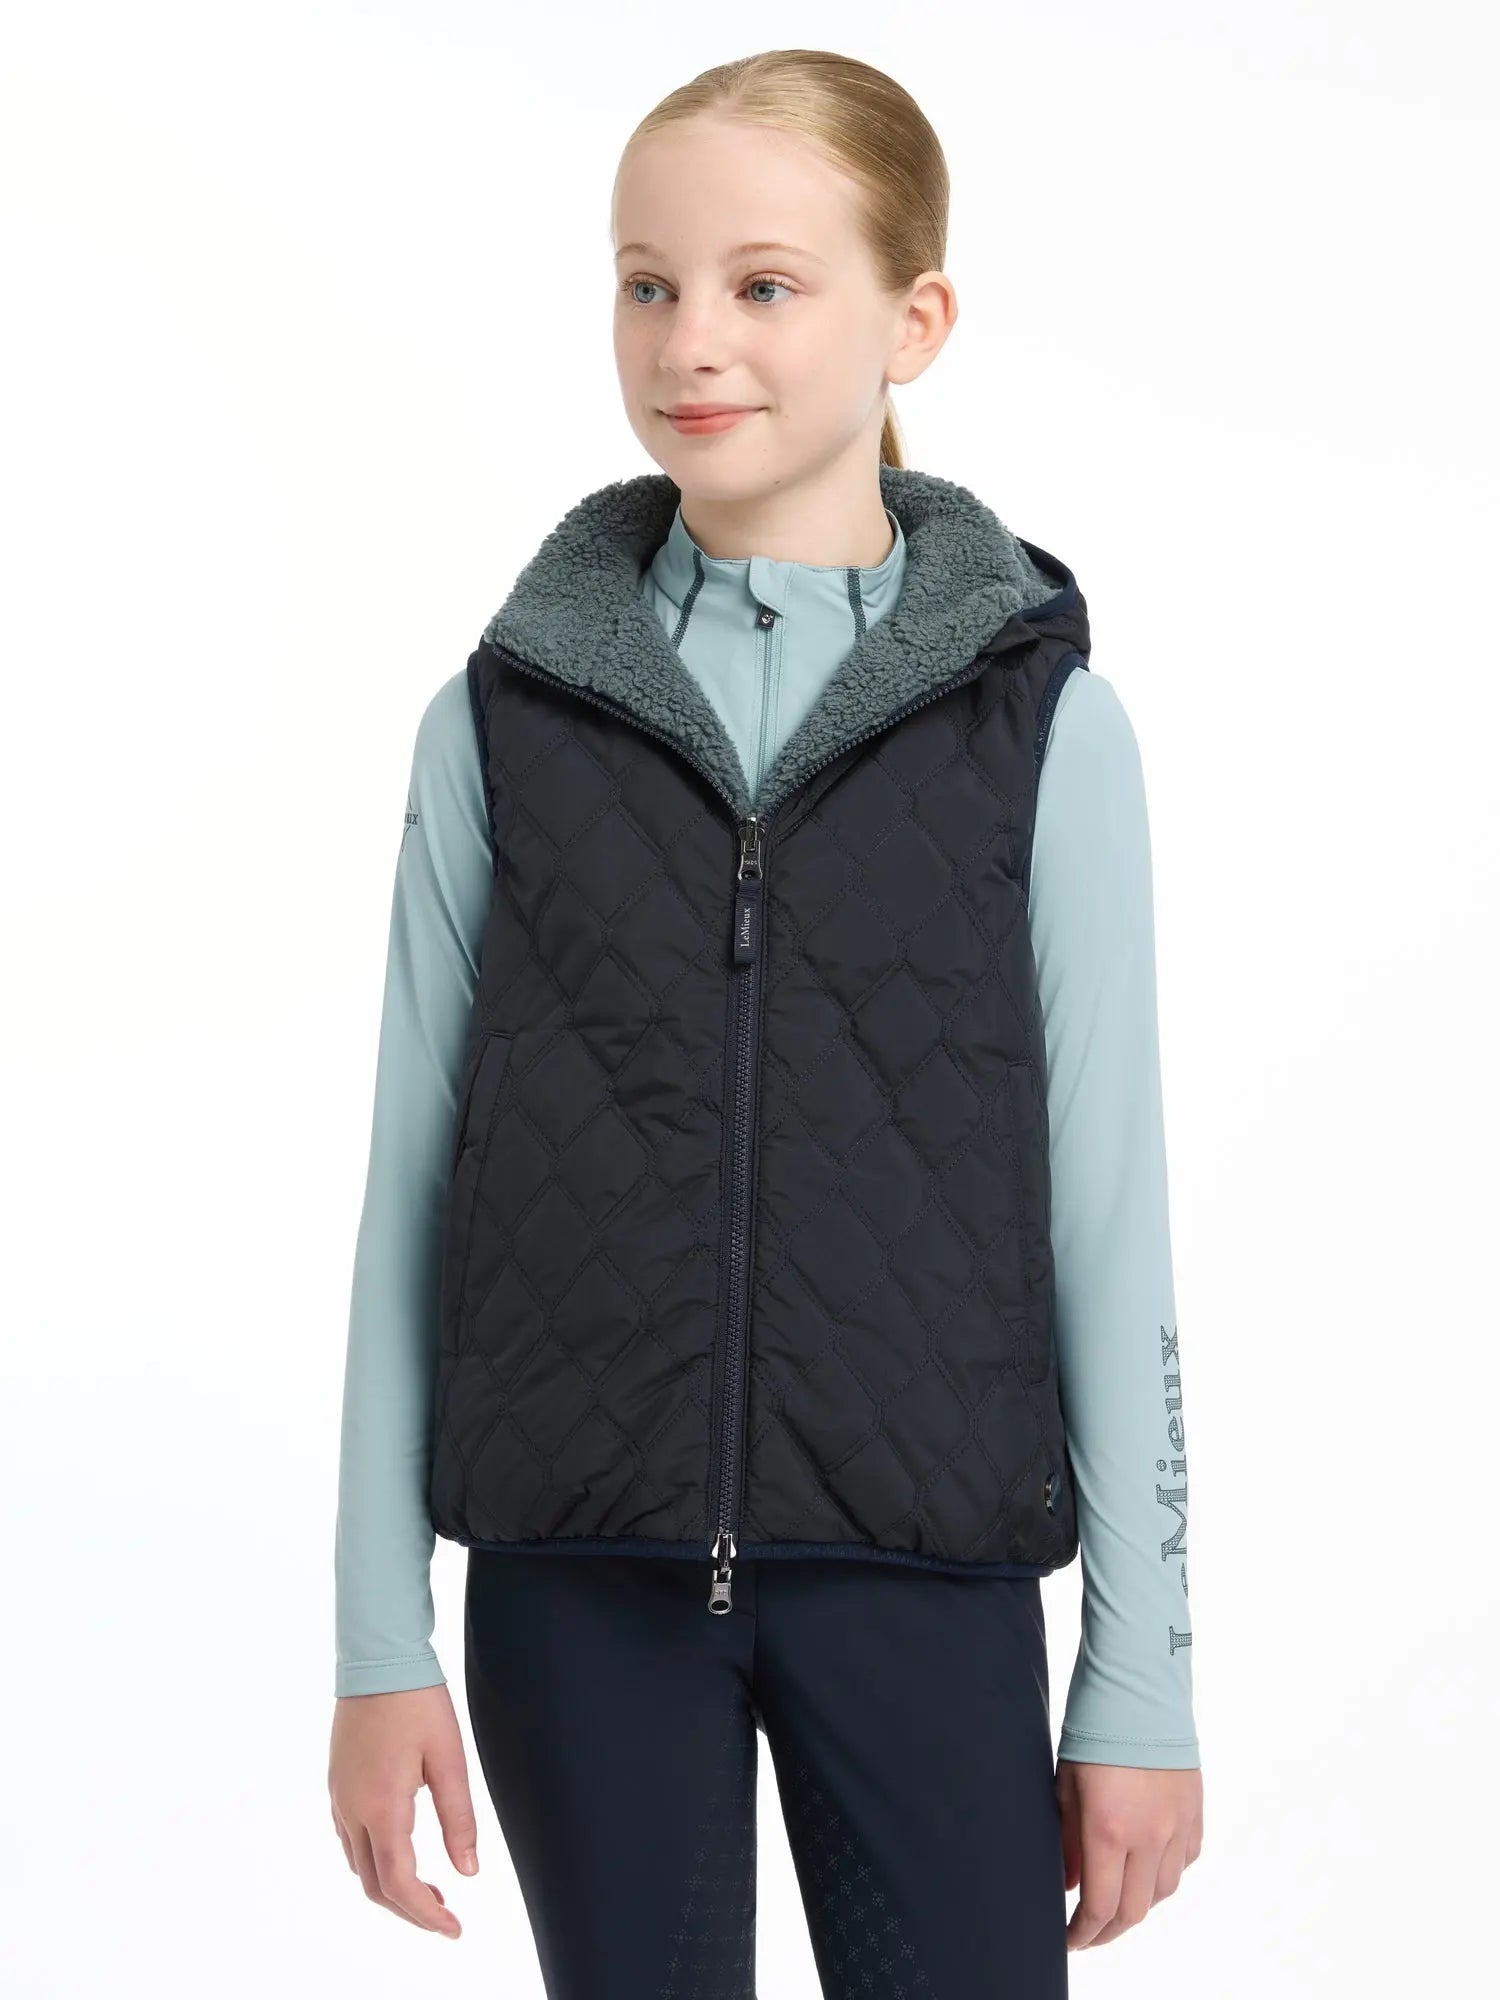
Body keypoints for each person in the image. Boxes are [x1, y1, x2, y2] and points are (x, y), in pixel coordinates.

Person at [328, 47, 1203, 1997]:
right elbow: (412, 1198)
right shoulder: (504, 724)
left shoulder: (1041, 730)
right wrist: (382, 1640)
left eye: (763, 284)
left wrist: (1140, 1675)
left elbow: (1107, 1212)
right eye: (647, 282)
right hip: (578, 1590)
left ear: (915, 322)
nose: (689, 340)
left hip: (923, 1580)